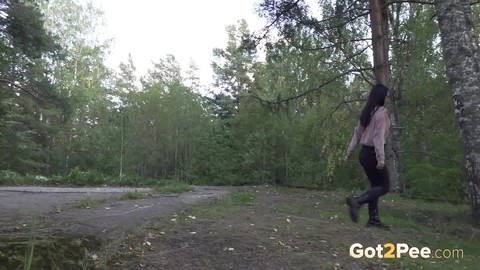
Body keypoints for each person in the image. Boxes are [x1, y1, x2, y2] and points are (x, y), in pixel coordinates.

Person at [344, 83, 391, 230]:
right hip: (373, 154)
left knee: (375, 186)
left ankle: (374, 219)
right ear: (382, 97)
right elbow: (378, 138)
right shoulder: (381, 113)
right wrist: (381, 158)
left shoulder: (368, 112)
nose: (388, 99)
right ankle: (357, 200)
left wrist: (349, 152)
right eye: (387, 96)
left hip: (364, 154)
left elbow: (356, 134)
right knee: (384, 186)